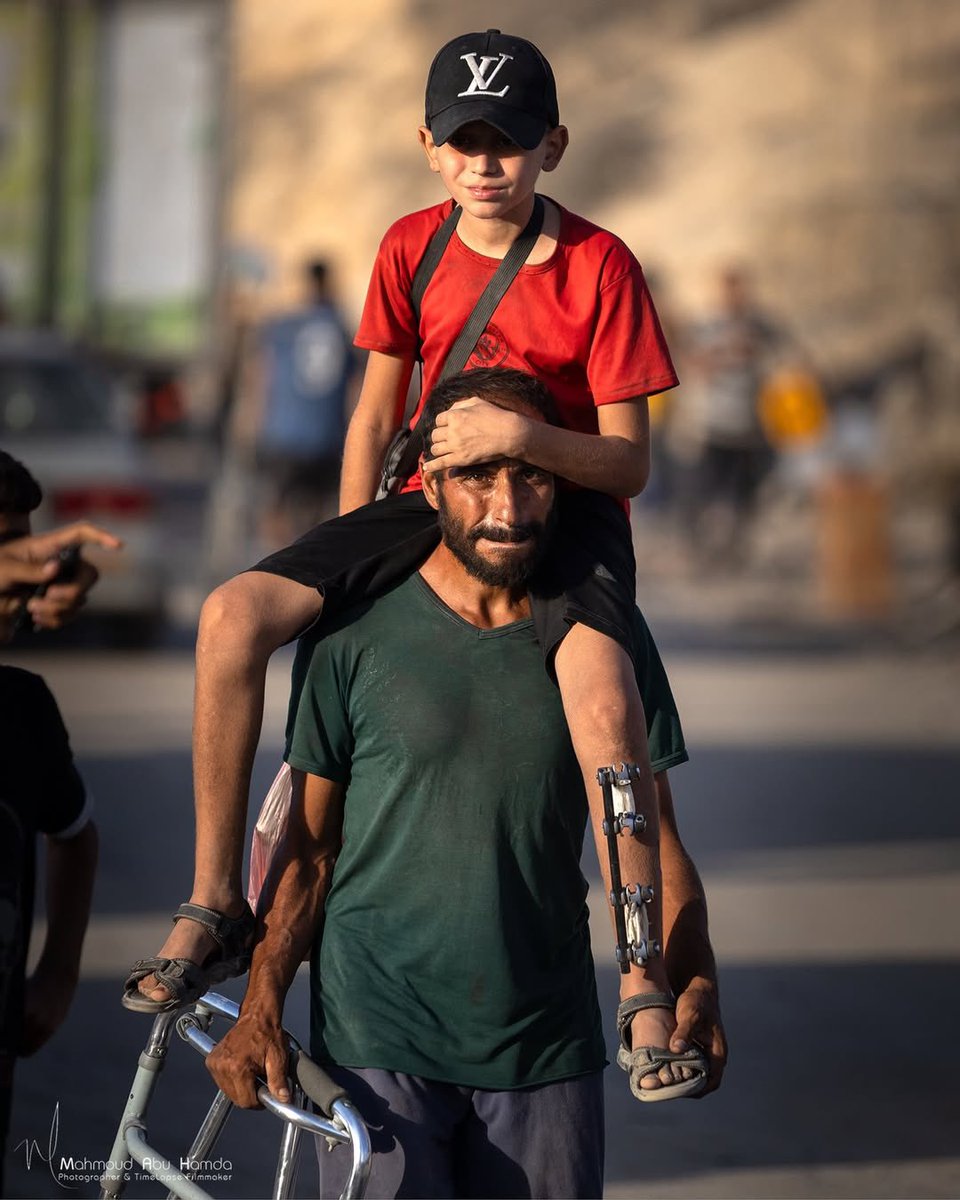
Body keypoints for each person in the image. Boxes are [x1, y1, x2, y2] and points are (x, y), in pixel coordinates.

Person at [127, 31, 685, 1075]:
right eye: (466, 142)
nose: (487, 164)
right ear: (430, 147)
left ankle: (644, 972)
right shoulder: (408, 248)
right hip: (426, 502)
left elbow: (628, 462)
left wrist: (521, 443)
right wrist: (345, 568)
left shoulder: (602, 265)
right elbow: (374, 410)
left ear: (552, 147)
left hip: (567, 514)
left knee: (607, 711)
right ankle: (216, 899)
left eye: (510, 143)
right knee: (229, 618)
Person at [206, 371, 725, 1199]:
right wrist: (260, 1005)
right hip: (375, 1050)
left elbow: (653, 834)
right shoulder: (353, 636)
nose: (508, 508)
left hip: (546, 1047)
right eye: (478, 476)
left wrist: (693, 977)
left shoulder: (602, 643)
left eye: (530, 476)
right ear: (430, 482)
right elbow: (307, 854)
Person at [0, 453, 100, 1194]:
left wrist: (59, 971)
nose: (27, 581)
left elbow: (75, 832)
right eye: (10, 554)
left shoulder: (23, 709)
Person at [254, 259, 359, 546]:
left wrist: (255, 422)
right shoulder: (341, 328)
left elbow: (265, 376)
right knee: (318, 516)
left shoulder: (285, 326)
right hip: (326, 436)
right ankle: (307, 572)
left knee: (276, 510)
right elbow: (355, 385)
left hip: (284, 434)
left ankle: (274, 565)